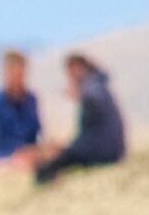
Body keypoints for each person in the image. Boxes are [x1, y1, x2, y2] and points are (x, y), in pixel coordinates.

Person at [32, 52, 126, 184]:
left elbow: (94, 99)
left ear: (78, 69)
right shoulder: (97, 84)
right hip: (110, 150)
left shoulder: (92, 87)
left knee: (48, 165)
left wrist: (81, 94)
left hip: (101, 151)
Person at [0, 49, 42, 168]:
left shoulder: (31, 99)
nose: (18, 77)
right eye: (13, 72)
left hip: (29, 153)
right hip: (2, 155)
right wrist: (20, 152)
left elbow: (37, 131)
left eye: (21, 73)